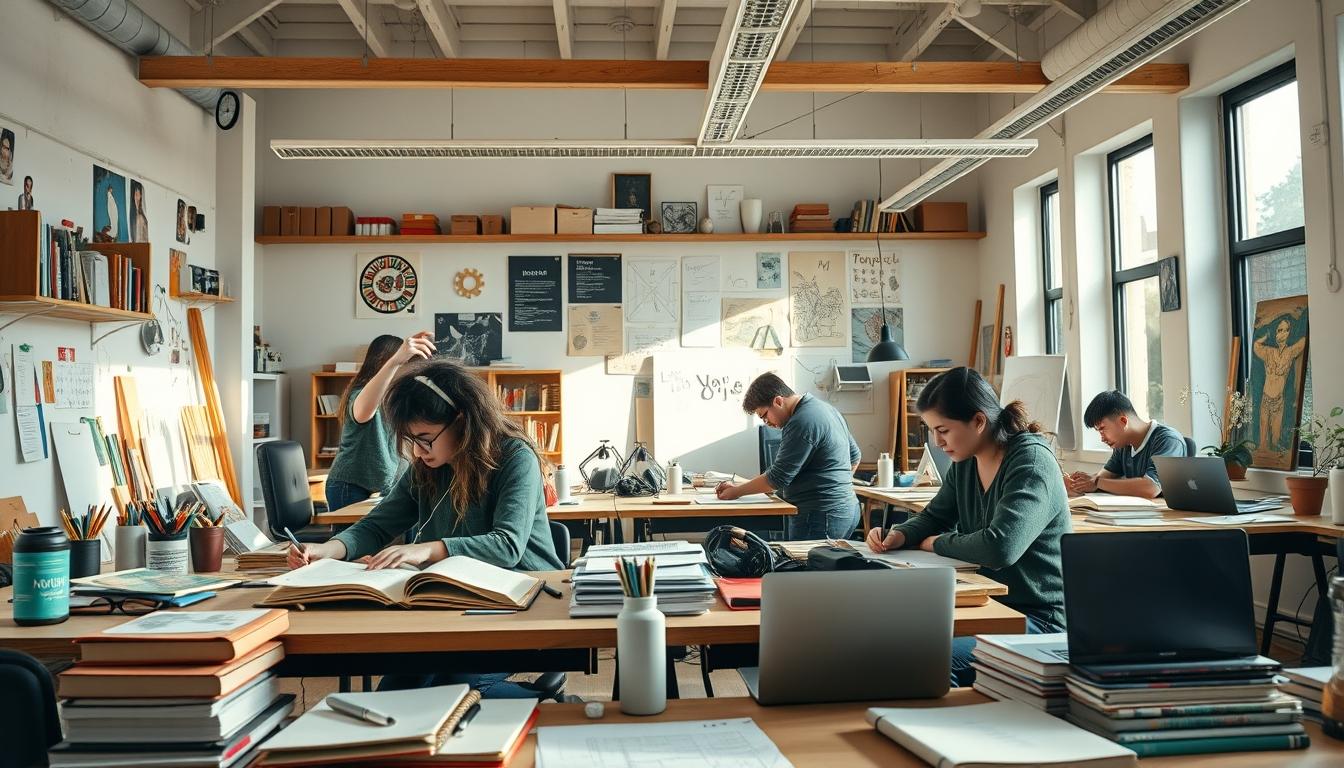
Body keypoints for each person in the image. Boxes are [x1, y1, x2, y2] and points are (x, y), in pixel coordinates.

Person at [287, 358, 565, 697]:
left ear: (461, 421)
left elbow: (507, 545)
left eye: (425, 438)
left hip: (523, 598)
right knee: (395, 692)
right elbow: (377, 525)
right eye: (410, 440)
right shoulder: (427, 465)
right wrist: (327, 550)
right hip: (452, 603)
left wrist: (427, 550)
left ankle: (546, 702)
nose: (418, 451)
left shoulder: (513, 456)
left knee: (452, 690)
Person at [865, 367, 1068, 688]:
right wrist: (901, 535)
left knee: (925, 660)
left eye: (943, 430)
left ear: (978, 421)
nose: (937, 441)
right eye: (931, 430)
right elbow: (934, 516)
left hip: (1038, 619)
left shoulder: (1030, 462)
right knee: (882, 639)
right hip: (988, 605)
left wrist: (934, 543)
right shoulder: (965, 461)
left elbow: (1000, 548)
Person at [715, 372, 860, 539]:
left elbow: (777, 478)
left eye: (764, 416)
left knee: (806, 565)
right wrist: (837, 488)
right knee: (827, 564)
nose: (766, 423)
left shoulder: (801, 421)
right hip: (847, 510)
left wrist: (736, 491)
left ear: (778, 401)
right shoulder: (825, 409)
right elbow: (855, 456)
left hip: (821, 516)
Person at [324, 333, 431, 511]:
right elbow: (364, 411)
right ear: (383, 362)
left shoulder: (397, 400)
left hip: (385, 487)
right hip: (351, 486)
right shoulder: (359, 395)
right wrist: (397, 360)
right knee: (354, 539)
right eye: (404, 365)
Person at [1065, 390, 1187, 499]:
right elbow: (1103, 478)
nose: (1102, 438)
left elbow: (1151, 488)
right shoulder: (1123, 445)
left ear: (1123, 421)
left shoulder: (1167, 440)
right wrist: (1076, 483)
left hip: (1170, 517)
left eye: (1102, 429)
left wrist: (1096, 482)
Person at [1253, 315, 1306, 453]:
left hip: (1279, 402)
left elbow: (1303, 342)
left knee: (1275, 442)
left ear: (1289, 332)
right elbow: (1256, 346)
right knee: (1262, 443)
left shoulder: (1290, 352)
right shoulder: (1268, 352)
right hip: (1265, 400)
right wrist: (1266, 336)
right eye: (1279, 330)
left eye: (1286, 330)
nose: (1282, 334)